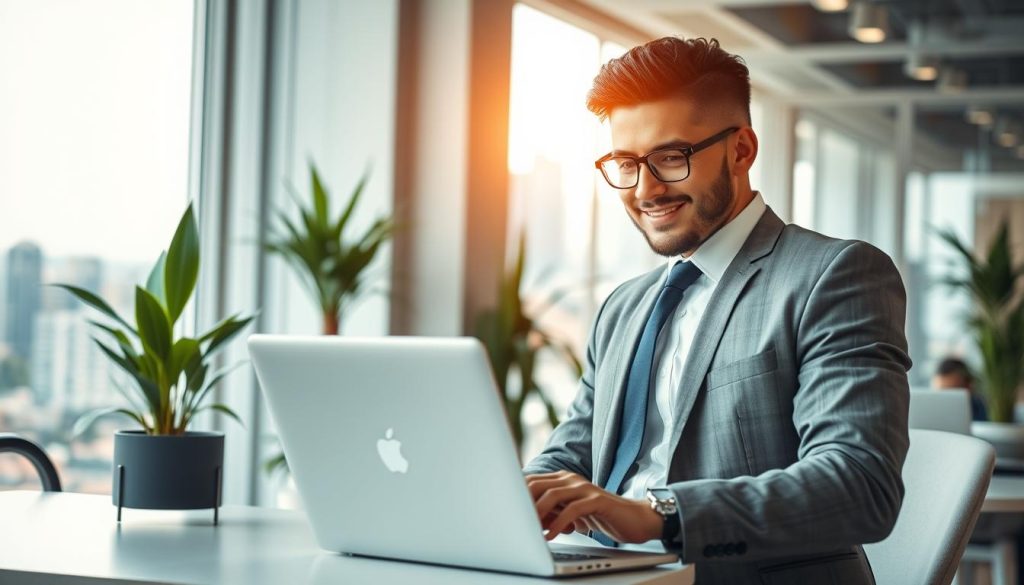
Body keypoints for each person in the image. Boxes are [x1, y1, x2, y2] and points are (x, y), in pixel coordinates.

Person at [522, 37, 911, 584]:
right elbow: (569, 455)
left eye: (670, 158)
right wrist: (511, 501)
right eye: (626, 163)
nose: (645, 188)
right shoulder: (624, 307)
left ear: (742, 149)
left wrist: (655, 515)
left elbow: (858, 484)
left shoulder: (834, 275)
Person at [933, 357, 987, 421]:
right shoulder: (933, 412)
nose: (944, 399)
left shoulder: (983, 409)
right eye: (940, 393)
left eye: (951, 392)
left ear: (968, 386)